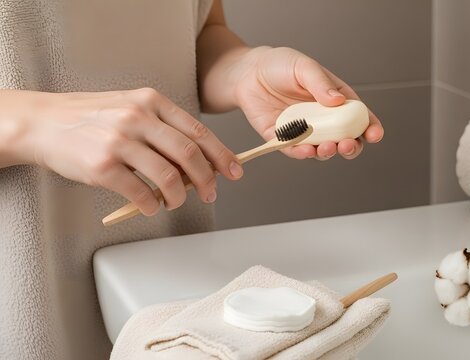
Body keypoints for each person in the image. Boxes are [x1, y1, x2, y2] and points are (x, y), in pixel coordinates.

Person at [0, 1, 383, 359]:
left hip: (167, 266)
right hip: (23, 272)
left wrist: (244, 70)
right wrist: (30, 122)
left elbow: (197, 31)